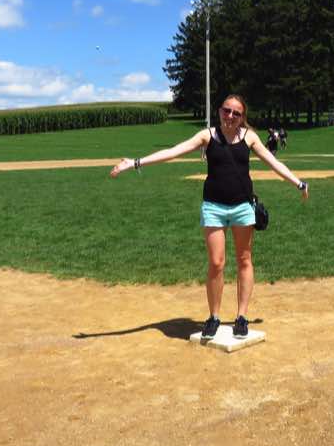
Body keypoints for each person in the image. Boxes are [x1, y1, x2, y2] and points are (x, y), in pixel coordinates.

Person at [110, 94, 309, 340]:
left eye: (237, 113)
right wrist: (135, 162)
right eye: (227, 111)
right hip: (213, 207)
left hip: (243, 207)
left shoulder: (250, 138)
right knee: (216, 263)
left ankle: (242, 317)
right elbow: (174, 152)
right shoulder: (207, 136)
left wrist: (299, 183)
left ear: (242, 117)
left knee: (244, 259)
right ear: (219, 111)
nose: (231, 116)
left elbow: (273, 163)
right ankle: (214, 316)